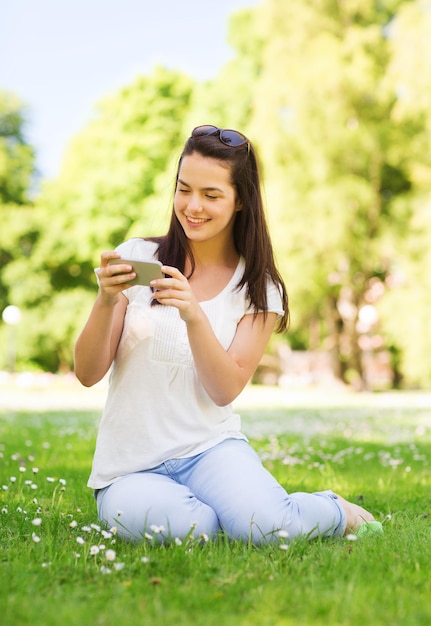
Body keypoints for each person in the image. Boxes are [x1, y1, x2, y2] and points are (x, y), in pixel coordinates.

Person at [74, 124, 376, 544]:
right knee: (188, 529)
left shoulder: (259, 288)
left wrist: (194, 315)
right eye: (184, 189)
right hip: (130, 467)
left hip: (211, 450)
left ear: (239, 201)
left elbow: (224, 389)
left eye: (211, 195)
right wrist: (106, 301)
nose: (192, 206)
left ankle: (331, 509)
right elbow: (87, 373)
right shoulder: (137, 257)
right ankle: (221, 511)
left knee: (269, 530)